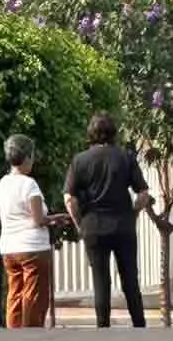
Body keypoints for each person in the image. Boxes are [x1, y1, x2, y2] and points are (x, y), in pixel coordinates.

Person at [64, 113, 152, 328]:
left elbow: (69, 199)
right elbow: (143, 194)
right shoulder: (126, 157)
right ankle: (139, 325)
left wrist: (80, 223)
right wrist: (133, 214)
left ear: (91, 133)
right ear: (114, 133)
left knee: (100, 279)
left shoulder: (80, 160)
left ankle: (103, 327)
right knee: (130, 278)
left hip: (93, 226)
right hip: (123, 225)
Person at [0, 135, 53, 328]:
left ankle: (13, 336)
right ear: (27, 157)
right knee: (33, 296)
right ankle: (30, 337)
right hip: (33, 247)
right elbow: (38, 219)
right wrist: (55, 220)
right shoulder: (29, 184)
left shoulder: (2, 183)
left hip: (9, 248)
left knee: (15, 293)